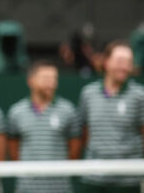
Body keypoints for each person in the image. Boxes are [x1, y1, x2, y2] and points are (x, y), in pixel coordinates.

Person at [78, 41, 144, 193]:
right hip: (93, 178)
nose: (124, 67)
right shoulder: (88, 93)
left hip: (128, 180)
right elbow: (85, 132)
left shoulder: (140, 96)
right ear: (106, 62)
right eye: (120, 61)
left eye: (128, 62)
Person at [8, 61, 82, 193]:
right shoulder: (16, 112)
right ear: (31, 81)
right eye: (46, 78)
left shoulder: (68, 110)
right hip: (26, 188)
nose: (51, 83)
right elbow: (14, 149)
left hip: (60, 187)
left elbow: (74, 149)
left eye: (54, 79)